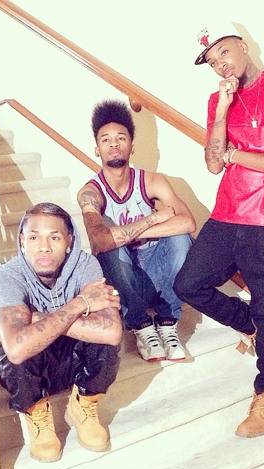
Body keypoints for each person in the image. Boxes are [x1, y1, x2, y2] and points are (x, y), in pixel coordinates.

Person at [174, 31, 264, 438]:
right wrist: (221, 112)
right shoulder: (218, 100)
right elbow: (213, 165)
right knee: (188, 284)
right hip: (227, 211)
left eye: (224, 52)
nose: (221, 64)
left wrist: (235, 154)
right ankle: (249, 324)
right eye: (213, 61)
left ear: (243, 46)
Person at [0, 202, 122, 462]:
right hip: (36, 368)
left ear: (69, 241)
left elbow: (112, 333)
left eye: (54, 237)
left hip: (76, 363)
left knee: (106, 333)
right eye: (34, 237)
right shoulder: (8, 275)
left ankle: (83, 405)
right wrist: (80, 304)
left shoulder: (85, 265)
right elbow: (16, 350)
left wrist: (37, 318)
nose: (44, 247)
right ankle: (38, 414)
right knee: (8, 346)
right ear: (22, 241)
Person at [76, 99, 196, 363]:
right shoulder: (90, 193)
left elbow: (188, 223)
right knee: (111, 250)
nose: (114, 144)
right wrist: (152, 220)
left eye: (121, 138)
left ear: (132, 146)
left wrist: (132, 233)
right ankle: (141, 325)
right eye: (106, 140)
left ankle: (167, 320)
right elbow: (100, 241)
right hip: (123, 278)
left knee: (181, 239)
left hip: (157, 271)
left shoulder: (152, 181)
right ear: (97, 149)